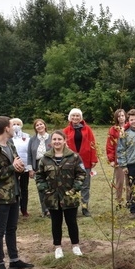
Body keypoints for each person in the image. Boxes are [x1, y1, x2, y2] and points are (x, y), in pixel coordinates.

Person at [0, 116, 34, 269]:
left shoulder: (10, 143)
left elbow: (15, 161)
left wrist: (18, 166)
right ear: (6, 128)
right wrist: (13, 168)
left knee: (12, 228)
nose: (15, 128)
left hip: (13, 192)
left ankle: (14, 260)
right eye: (12, 126)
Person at [35, 130, 86, 259]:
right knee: (56, 223)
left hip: (69, 196)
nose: (57, 142)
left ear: (64, 141)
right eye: (54, 140)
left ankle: (75, 245)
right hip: (52, 197)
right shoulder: (45, 159)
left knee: (71, 222)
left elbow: (81, 174)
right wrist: (45, 189)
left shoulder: (74, 157)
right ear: (51, 142)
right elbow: (39, 176)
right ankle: (57, 247)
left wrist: (75, 189)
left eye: (59, 139)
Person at [63, 108, 98, 217]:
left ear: (81, 117)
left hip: (86, 160)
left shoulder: (87, 129)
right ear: (70, 117)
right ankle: (72, 207)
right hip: (71, 161)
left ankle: (84, 207)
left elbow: (93, 144)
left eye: (77, 116)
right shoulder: (66, 131)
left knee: (85, 185)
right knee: (72, 184)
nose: (75, 118)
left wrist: (94, 159)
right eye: (73, 116)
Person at [27, 118, 53, 217]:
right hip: (37, 166)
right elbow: (29, 155)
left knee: (51, 187)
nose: (39, 126)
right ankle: (44, 210)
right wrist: (30, 169)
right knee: (41, 188)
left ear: (45, 125)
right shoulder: (32, 140)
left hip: (50, 165)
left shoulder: (51, 137)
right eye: (37, 125)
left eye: (41, 124)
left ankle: (51, 208)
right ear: (35, 128)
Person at [106, 109, 129, 210]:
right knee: (119, 182)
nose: (121, 118)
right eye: (119, 116)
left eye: (122, 116)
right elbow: (110, 146)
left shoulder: (130, 127)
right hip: (118, 159)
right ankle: (118, 201)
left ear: (125, 116)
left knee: (129, 182)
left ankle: (130, 201)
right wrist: (111, 159)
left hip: (130, 159)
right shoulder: (113, 130)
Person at [10, 118, 31, 217]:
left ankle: (24, 209)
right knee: (15, 188)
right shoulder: (9, 137)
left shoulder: (27, 136)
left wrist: (29, 167)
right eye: (14, 124)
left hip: (25, 166)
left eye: (18, 124)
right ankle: (15, 208)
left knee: (24, 188)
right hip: (13, 166)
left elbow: (30, 151)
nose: (16, 126)